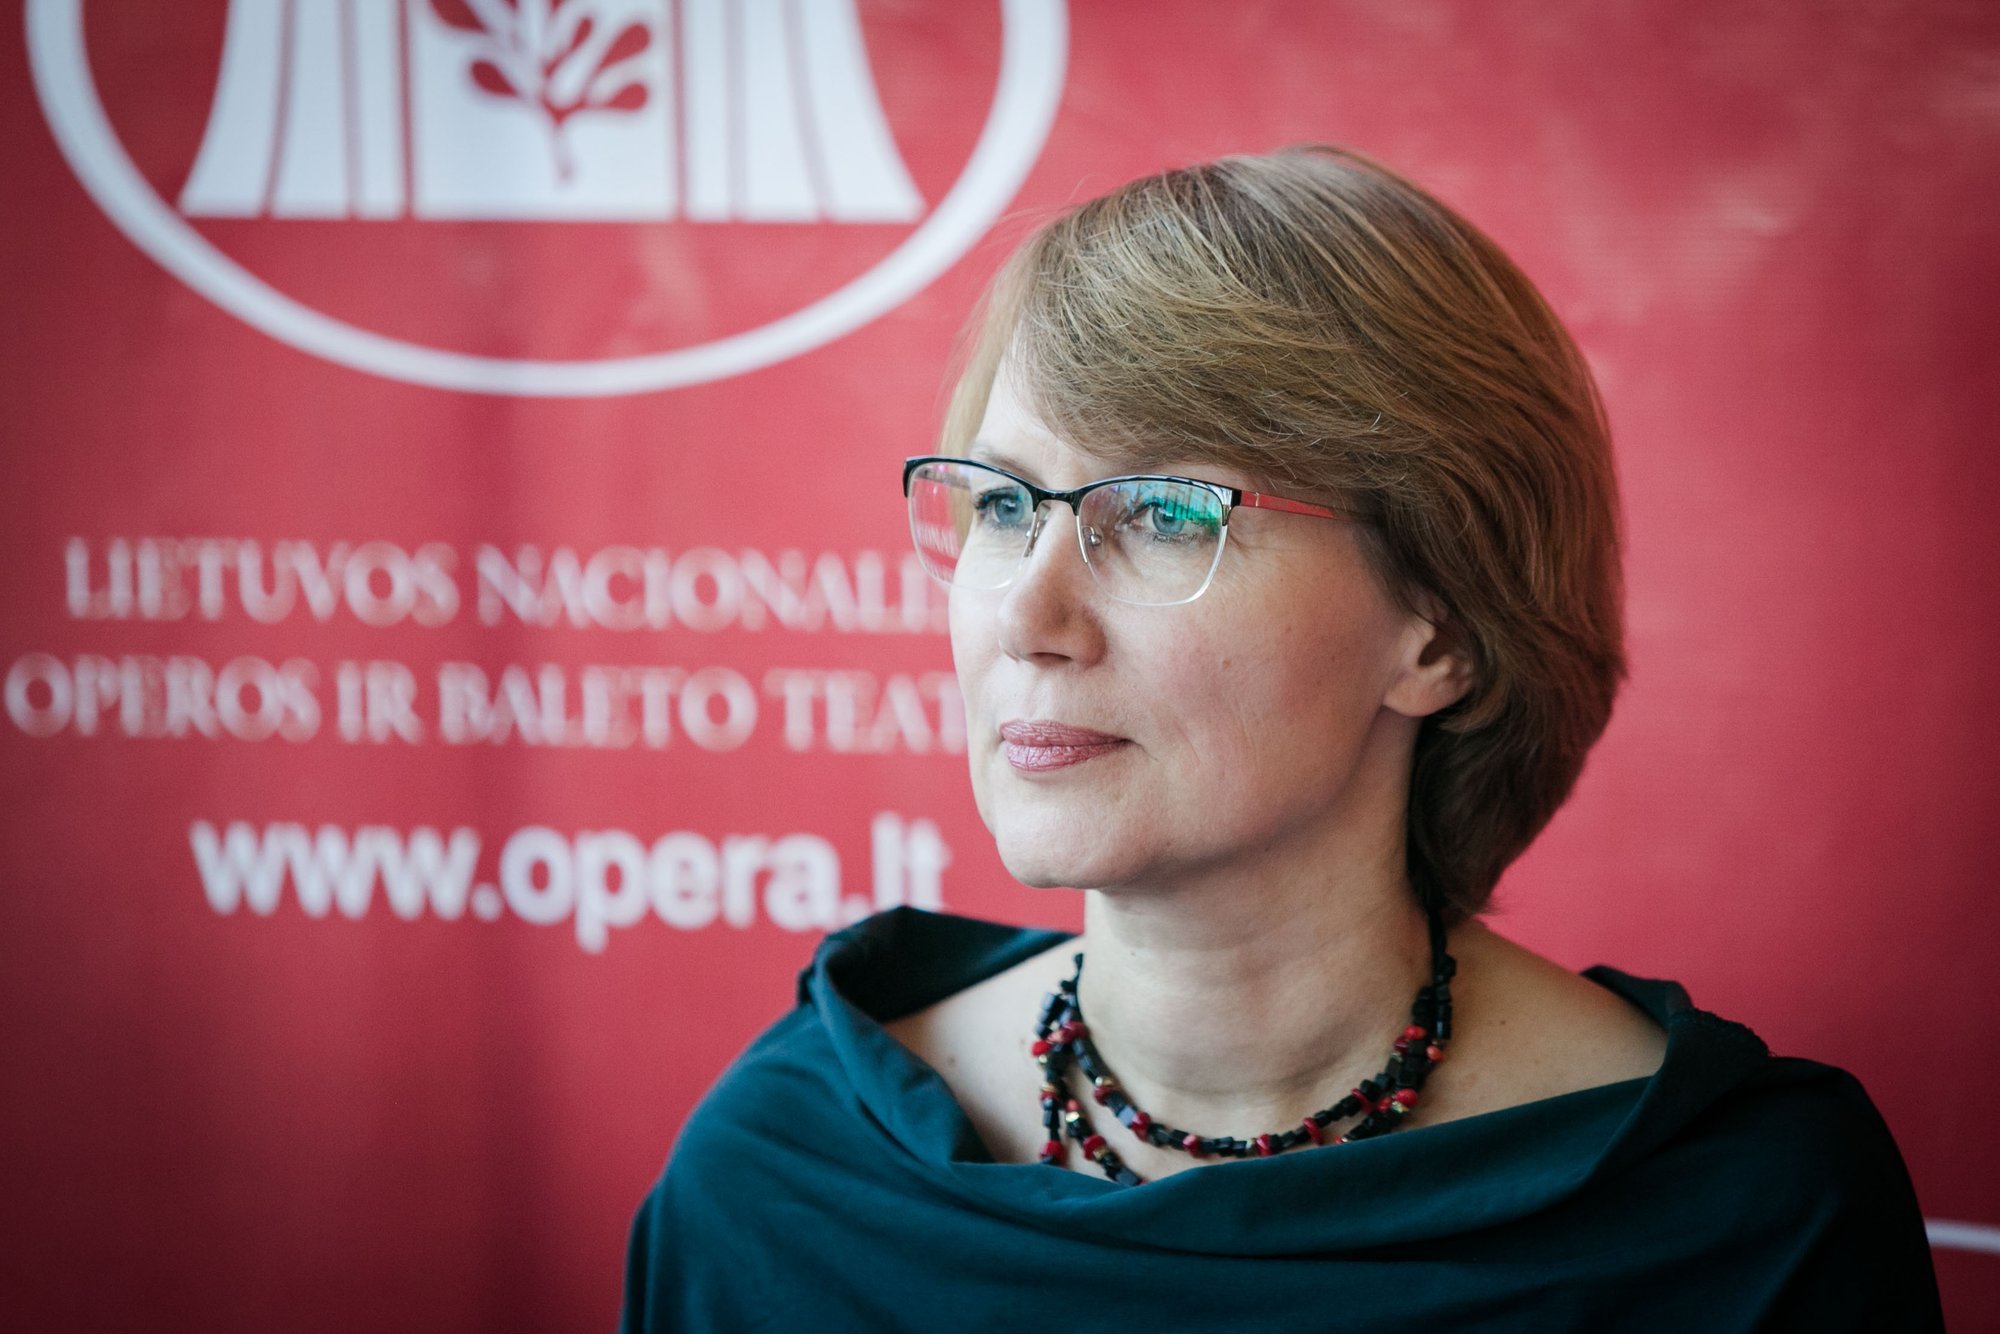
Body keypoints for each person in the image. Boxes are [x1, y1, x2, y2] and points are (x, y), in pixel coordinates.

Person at [621, 147, 1942, 1330]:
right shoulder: (781, 1182)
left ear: (1440, 631)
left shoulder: (1741, 1217)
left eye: (1165, 513)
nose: (1026, 615)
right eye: (1005, 505)